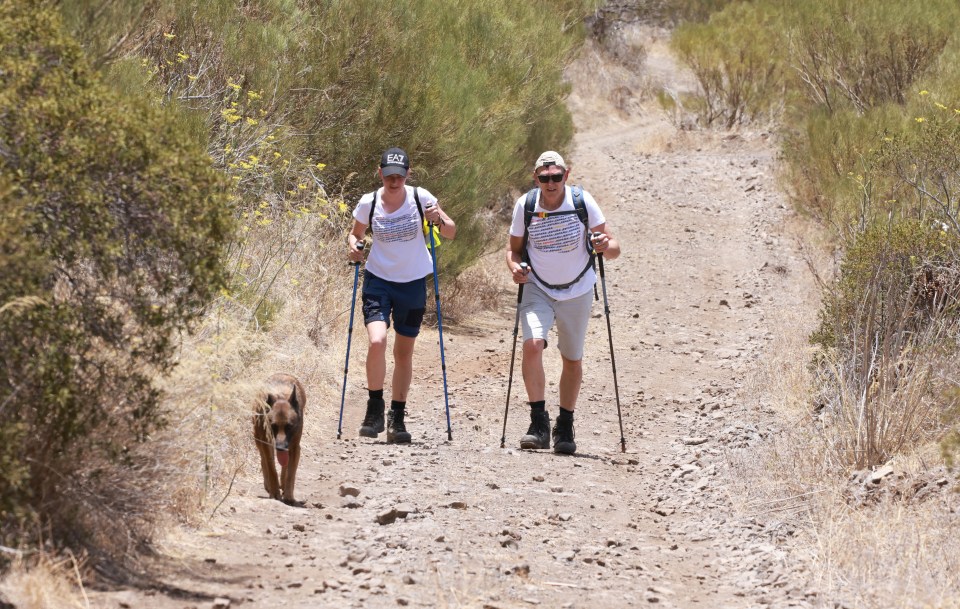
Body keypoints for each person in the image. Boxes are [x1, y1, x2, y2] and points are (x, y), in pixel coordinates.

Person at [505, 150, 620, 454]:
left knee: (572, 359)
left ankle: (565, 425)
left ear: (566, 176)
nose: (551, 183)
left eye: (557, 177)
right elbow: (513, 250)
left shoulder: (582, 202)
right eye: (545, 178)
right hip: (538, 287)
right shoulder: (526, 205)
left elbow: (614, 248)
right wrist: (515, 268)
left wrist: (604, 245)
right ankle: (538, 423)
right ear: (536, 178)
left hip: (577, 290)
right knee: (532, 345)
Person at [347, 147, 456, 443]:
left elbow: (450, 232)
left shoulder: (421, 198)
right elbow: (356, 233)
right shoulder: (369, 202)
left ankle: (397, 416)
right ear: (380, 173)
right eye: (389, 175)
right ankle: (374, 406)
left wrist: (438, 218)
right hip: (378, 280)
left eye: (399, 175)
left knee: (403, 353)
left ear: (407, 174)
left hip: (412, 283)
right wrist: (354, 247)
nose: (394, 181)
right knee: (377, 340)